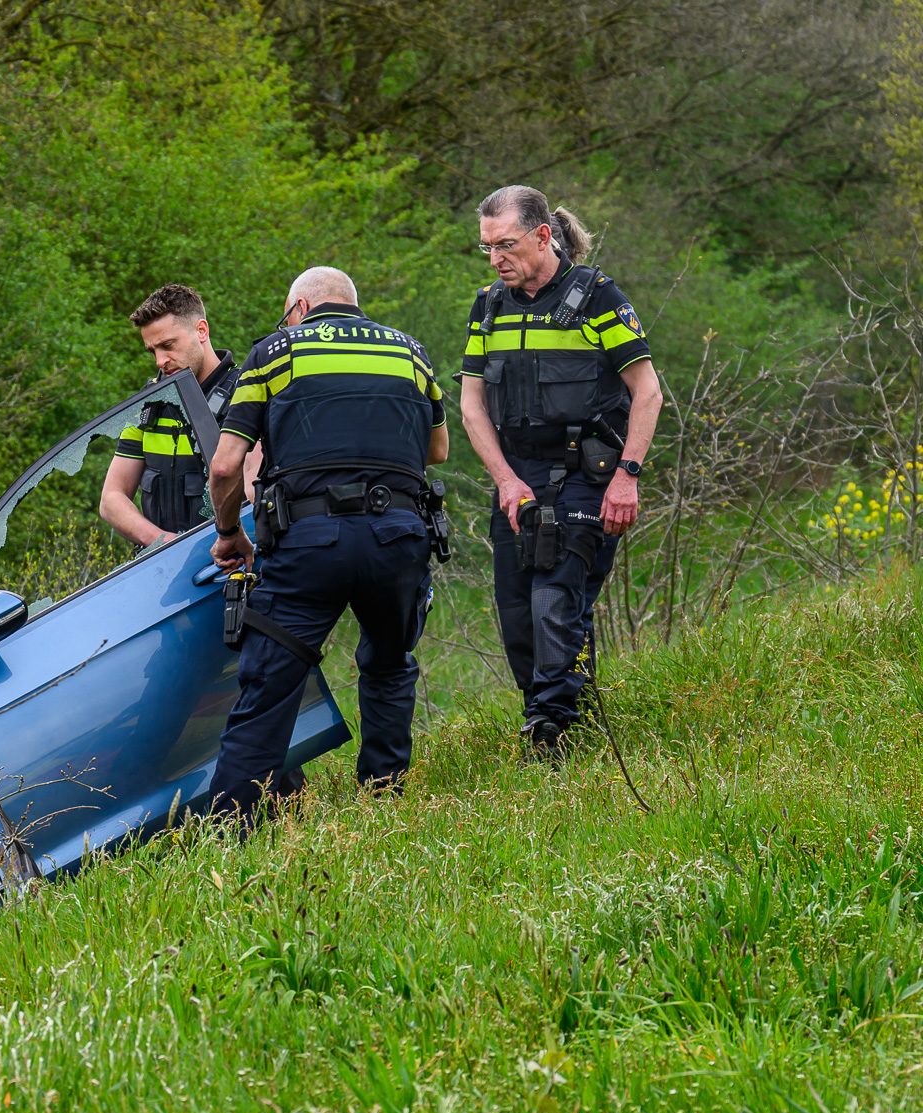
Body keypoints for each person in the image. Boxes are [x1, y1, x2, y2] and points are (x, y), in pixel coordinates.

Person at [206, 267, 448, 811]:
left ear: (299, 308)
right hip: (398, 538)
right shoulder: (410, 353)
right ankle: (384, 801)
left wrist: (229, 533)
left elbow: (224, 466)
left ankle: (231, 826)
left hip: (309, 543)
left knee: (269, 685)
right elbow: (438, 451)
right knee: (389, 664)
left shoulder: (274, 353)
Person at [456, 186, 662, 757]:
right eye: (487, 247)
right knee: (519, 616)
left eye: (505, 244)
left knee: (555, 603)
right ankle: (566, 717)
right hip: (517, 478)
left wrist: (627, 476)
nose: (495, 259)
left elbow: (647, 393)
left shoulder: (597, 297)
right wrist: (505, 480)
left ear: (543, 235)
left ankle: (551, 737)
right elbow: (471, 406)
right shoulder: (488, 306)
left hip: (584, 474)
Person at [99, 284, 255, 549]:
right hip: (161, 563)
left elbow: (254, 499)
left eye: (167, 345)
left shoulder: (246, 396)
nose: (160, 361)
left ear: (201, 331)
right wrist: (164, 543)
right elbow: (111, 499)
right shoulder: (148, 404)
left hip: (226, 560)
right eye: (152, 351)